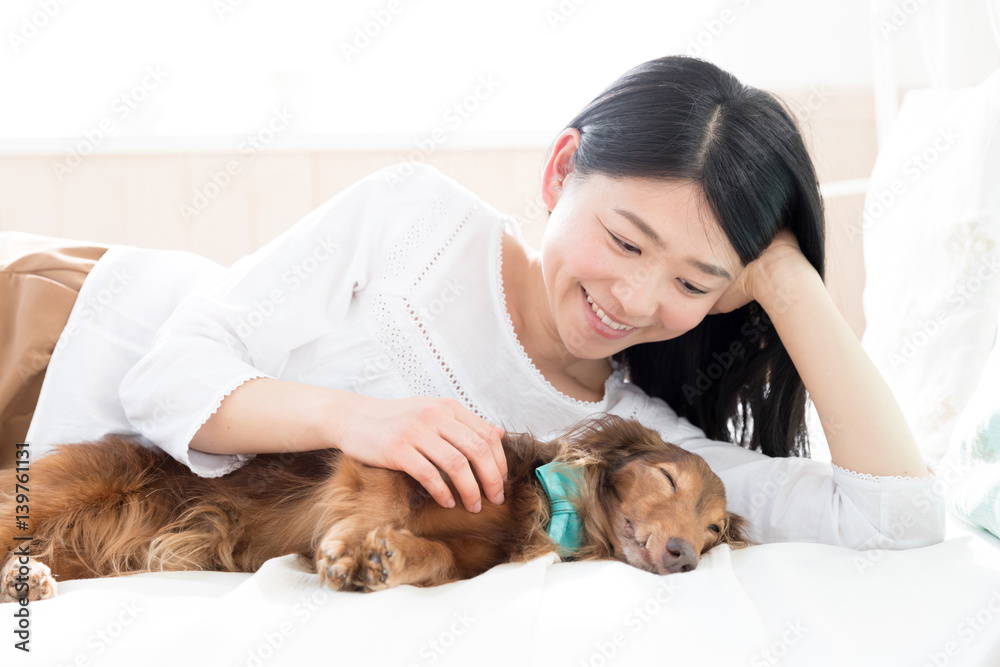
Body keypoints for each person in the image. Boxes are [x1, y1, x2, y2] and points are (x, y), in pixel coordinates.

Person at [7, 56, 943, 548]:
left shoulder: (634, 448)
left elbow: (896, 520)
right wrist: (359, 421)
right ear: (560, 169)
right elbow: (168, 380)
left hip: (70, 498)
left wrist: (786, 279)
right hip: (60, 331)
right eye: (625, 239)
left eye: (697, 282)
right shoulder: (418, 217)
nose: (634, 296)